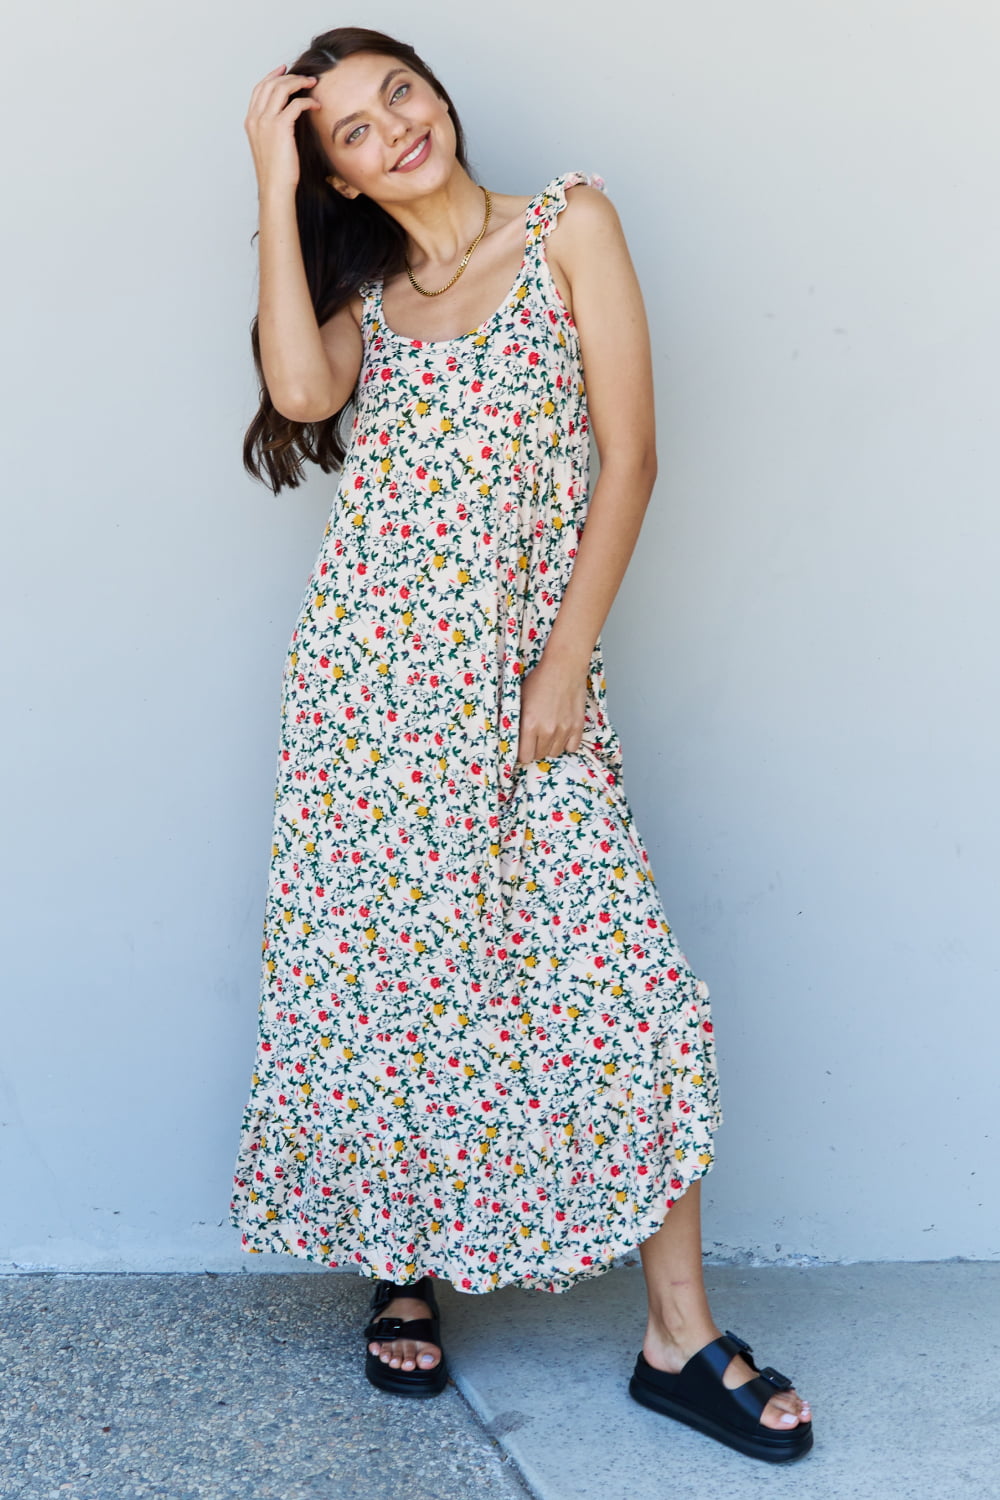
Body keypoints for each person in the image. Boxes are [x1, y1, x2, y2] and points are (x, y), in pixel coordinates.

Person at [229, 25, 813, 1463]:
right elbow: (300, 396)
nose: (391, 132)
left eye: (398, 96)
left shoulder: (569, 225)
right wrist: (265, 168)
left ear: (439, 96)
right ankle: (401, 1266)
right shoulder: (372, 299)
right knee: (388, 991)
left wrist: (563, 662)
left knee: (627, 990)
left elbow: (635, 456)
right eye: (350, 134)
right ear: (344, 182)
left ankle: (678, 1333)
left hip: (521, 696)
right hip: (368, 707)